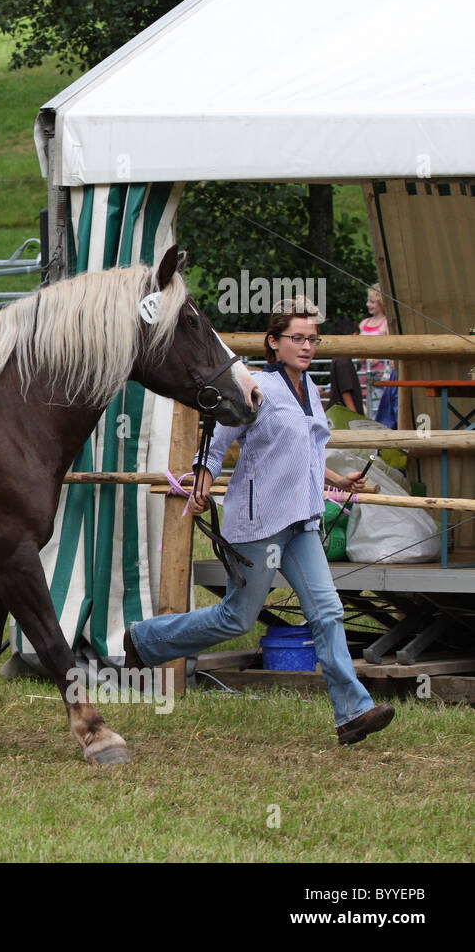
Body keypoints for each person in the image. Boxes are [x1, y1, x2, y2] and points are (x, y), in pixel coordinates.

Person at [125, 296, 395, 746]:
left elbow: (305, 448)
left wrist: (336, 479)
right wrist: (201, 484)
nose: (307, 346)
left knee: (328, 613)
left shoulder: (310, 389)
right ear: (274, 342)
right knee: (236, 617)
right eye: (297, 338)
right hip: (258, 524)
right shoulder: (257, 388)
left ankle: (352, 712)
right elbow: (214, 443)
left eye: (312, 339)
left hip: (302, 523)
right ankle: (146, 641)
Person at [359, 283, 391, 417]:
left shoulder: (386, 324)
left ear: (381, 303)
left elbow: (390, 349)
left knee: (377, 411)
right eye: (368, 300)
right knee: (363, 410)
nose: (368, 304)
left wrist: (377, 357)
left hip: (379, 375)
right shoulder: (363, 323)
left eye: (372, 301)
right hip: (363, 374)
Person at [324, 318, 363, 415]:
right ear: (352, 336)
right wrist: (354, 415)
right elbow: (346, 391)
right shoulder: (343, 361)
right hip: (345, 413)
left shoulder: (339, 358)